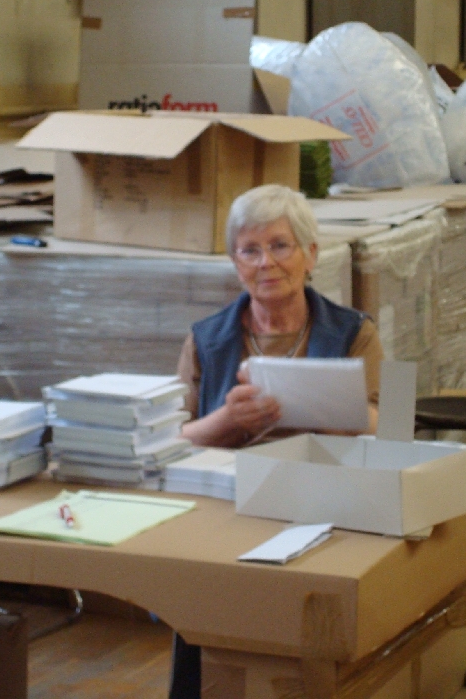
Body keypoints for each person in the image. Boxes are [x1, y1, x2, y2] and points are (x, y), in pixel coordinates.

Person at [168, 183, 382, 699]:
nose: (266, 263)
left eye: (281, 246)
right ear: (234, 262)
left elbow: (387, 427)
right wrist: (226, 421)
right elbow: (171, 440)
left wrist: (324, 411)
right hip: (227, 505)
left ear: (311, 254)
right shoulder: (205, 339)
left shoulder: (355, 332)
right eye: (250, 249)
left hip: (328, 502)